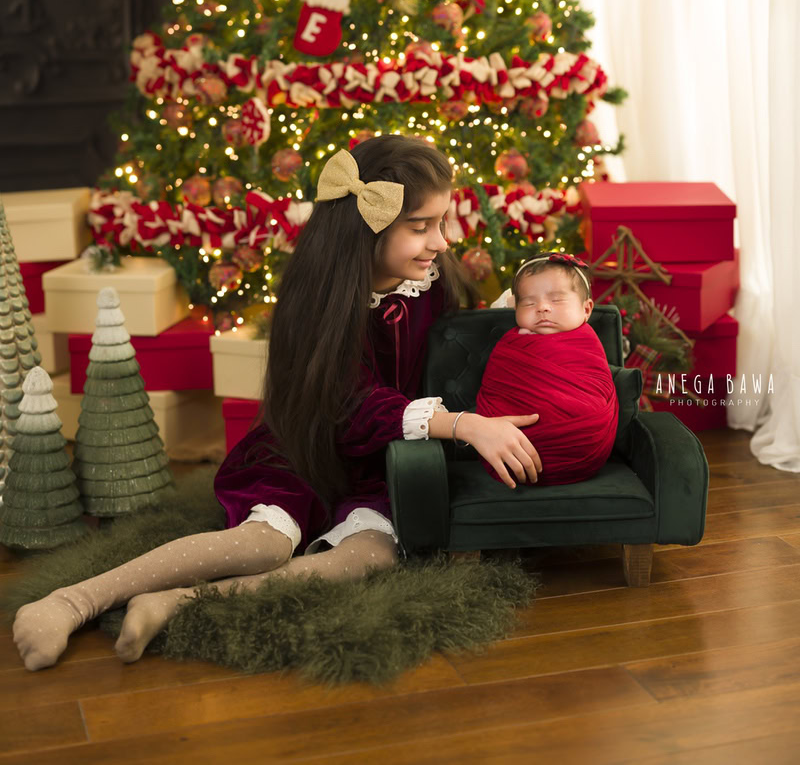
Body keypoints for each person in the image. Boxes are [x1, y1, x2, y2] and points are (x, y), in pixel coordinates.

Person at [13, 134, 543, 672]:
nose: (441, 242)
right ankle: (72, 600)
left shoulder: (430, 281)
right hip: (308, 446)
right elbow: (350, 406)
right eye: (420, 227)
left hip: (385, 460)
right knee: (263, 544)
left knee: (372, 555)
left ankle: (174, 603)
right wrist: (461, 424)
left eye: (441, 223)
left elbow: (453, 346)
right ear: (368, 227)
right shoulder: (322, 301)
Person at [476, 253, 619, 487]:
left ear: (586, 309)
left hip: (585, 453)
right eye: (529, 303)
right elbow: (496, 391)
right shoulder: (510, 346)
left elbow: (595, 391)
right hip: (505, 453)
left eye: (557, 300)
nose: (542, 308)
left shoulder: (587, 343)